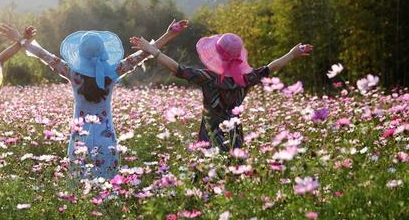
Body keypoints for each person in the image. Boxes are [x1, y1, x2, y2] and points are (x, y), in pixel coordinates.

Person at [0, 20, 188, 179]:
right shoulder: (113, 72)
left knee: (78, 192)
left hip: (80, 139)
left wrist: (20, 39)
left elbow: (44, 55)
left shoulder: (72, 73)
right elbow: (143, 54)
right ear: (104, 52)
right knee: (107, 189)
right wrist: (169, 34)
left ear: (79, 54)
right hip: (106, 138)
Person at [130, 33, 313, 151]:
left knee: (207, 188)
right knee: (232, 186)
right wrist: (291, 54)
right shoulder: (247, 79)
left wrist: (153, 51)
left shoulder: (208, 78)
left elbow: (177, 69)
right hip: (235, 140)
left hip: (209, 139)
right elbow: (270, 68)